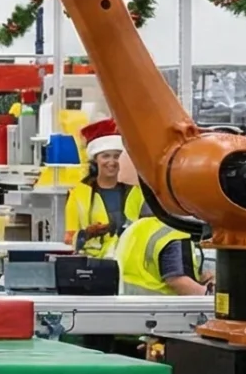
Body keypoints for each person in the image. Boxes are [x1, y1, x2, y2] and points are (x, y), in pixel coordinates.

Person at [63, 120, 147, 256]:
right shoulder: (78, 194)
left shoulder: (136, 191)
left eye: (117, 156)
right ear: (95, 159)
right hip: (93, 262)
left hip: (128, 260)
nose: (112, 162)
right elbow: (69, 239)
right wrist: (87, 233)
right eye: (105, 156)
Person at [111, 210, 208, 295]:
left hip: (125, 303)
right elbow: (177, 281)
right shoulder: (174, 232)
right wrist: (208, 294)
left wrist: (200, 276)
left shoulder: (136, 228)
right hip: (161, 307)